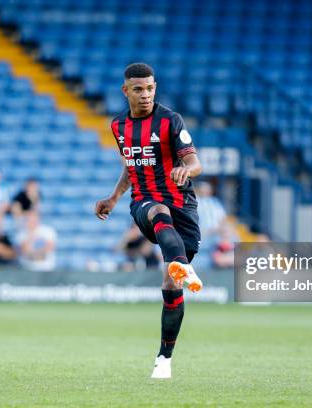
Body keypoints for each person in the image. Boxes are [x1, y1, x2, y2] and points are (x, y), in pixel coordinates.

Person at [94, 63, 203, 379]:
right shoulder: (118, 126)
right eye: (138, 89)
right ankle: (181, 263)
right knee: (157, 211)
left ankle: (164, 358)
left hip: (183, 207)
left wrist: (187, 170)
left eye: (150, 88)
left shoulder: (170, 120)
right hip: (144, 203)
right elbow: (131, 167)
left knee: (172, 285)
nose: (145, 95)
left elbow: (194, 161)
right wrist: (114, 198)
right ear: (125, 90)